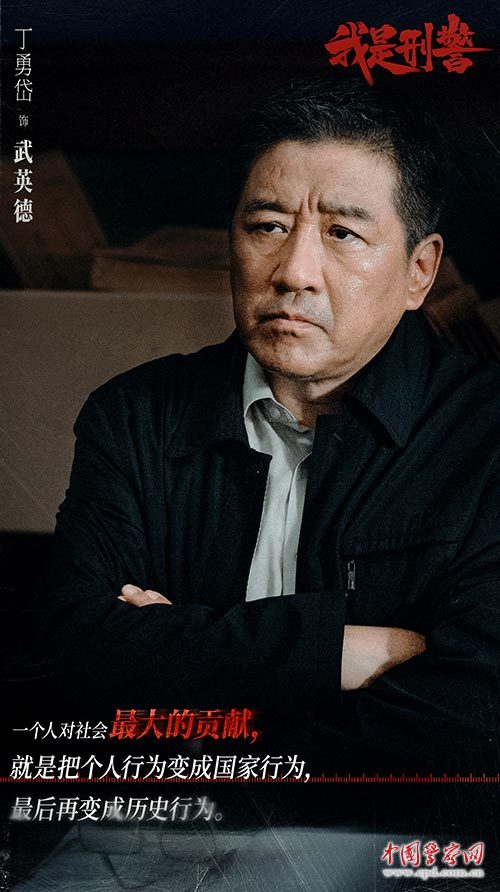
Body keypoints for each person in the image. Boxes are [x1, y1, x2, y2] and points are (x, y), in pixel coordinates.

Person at [43, 78, 500, 774]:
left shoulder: (485, 433)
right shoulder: (135, 415)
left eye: (343, 233)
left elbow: (472, 720)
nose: (294, 272)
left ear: (419, 271)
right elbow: (70, 654)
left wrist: (190, 677)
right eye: (267, 227)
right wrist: (343, 651)